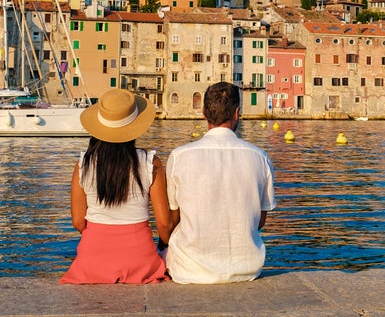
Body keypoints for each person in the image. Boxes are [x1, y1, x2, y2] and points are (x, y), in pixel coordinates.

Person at [165, 82, 276, 284]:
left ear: (203, 112)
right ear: (236, 113)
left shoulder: (179, 156)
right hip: (247, 269)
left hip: (188, 269)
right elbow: (259, 221)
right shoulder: (260, 157)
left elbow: (173, 220)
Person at [60, 89, 172, 284]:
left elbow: (78, 221)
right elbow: (163, 223)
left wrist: (101, 237)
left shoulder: (83, 165)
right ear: (135, 126)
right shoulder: (150, 163)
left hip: (92, 257)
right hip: (140, 258)